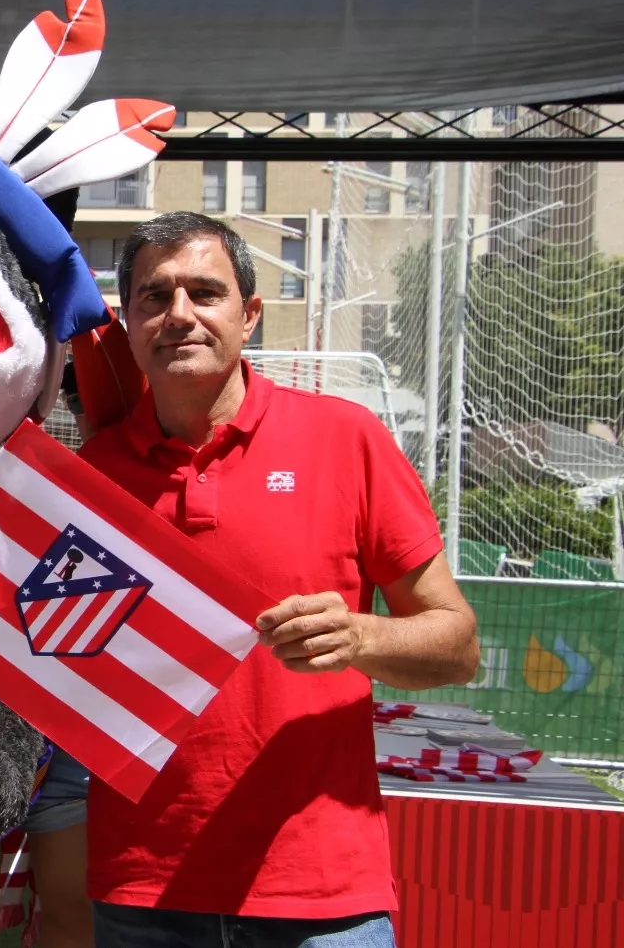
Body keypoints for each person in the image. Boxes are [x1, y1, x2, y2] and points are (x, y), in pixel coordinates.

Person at [79, 212, 479, 948]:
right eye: (154, 296)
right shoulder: (90, 475)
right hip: (143, 888)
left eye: (206, 292)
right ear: (128, 322)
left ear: (250, 315)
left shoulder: (345, 437)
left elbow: (457, 644)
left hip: (320, 892)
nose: (180, 315)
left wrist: (359, 635)